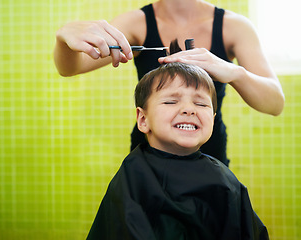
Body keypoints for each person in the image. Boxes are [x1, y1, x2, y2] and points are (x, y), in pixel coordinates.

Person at [54, 0, 285, 165]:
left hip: (209, 158)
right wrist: (64, 39)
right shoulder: (136, 22)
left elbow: (275, 103)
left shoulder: (234, 27)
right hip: (148, 159)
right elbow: (70, 67)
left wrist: (234, 72)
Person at [86, 62, 269, 240]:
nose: (189, 109)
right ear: (143, 119)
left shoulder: (225, 182)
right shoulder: (133, 175)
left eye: (201, 104)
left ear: (213, 119)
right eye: (171, 101)